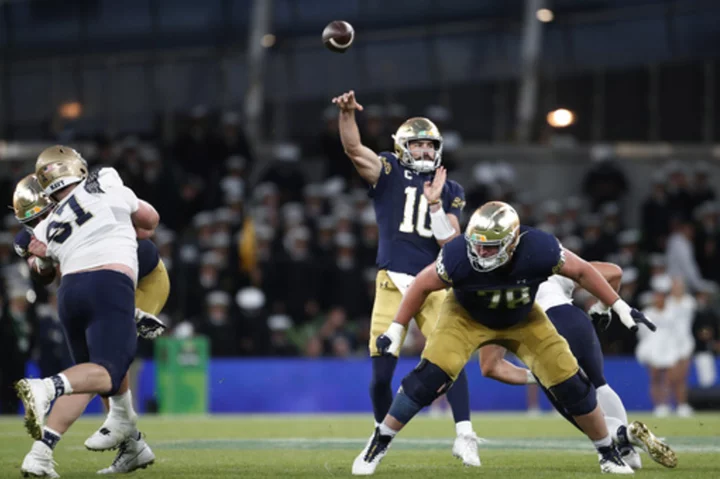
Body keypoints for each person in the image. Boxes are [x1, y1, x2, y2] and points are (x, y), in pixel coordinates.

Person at [352, 201, 657, 475]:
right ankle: (380, 440)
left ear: (511, 243)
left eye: (490, 247)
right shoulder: (459, 254)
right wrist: (395, 329)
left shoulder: (539, 248)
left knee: (572, 384)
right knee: (429, 376)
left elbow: (583, 272)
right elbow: (421, 285)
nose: (480, 252)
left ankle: (607, 453)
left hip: (522, 318)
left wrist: (618, 305)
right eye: (477, 244)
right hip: (466, 317)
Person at [332, 90, 479, 465]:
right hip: (391, 282)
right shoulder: (387, 170)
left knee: (451, 359)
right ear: (402, 148)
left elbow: (453, 243)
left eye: (431, 146)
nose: (426, 152)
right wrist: (347, 115)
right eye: (418, 145)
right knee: (382, 372)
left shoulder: (453, 189)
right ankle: (381, 437)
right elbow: (353, 149)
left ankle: (465, 433)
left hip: (434, 280)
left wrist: (435, 205)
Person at [13, 146, 160, 478]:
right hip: (110, 281)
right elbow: (151, 220)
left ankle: (45, 453)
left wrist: (37, 247)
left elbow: (39, 268)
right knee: (102, 372)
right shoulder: (105, 184)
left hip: (100, 286)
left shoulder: (49, 223)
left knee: (94, 372)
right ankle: (47, 392)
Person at [478, 265, 677, 470]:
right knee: (600, 384)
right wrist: (603, 307)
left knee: (578, 409)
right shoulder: (548, 266)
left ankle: (623, 434)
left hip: (543, 329)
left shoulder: (495, 293)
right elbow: (615, 273)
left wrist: (538, 375)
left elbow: (490, 367)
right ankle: (627, 452)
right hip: (575, 319)